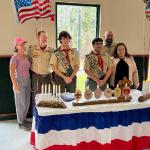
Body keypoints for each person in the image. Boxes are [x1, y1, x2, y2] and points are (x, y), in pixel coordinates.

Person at [10, 37, 31, 131]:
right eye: (21, 44)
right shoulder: (14, 58)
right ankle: (20, 122)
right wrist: (15, 84)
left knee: (26, 102)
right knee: (20, 103)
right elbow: (11, 73)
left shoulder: (26, 56)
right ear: (16, 46)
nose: (23, 46)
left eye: (23, 44)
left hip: (28, 80)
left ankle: (24, 119)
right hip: (19, 81)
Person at [27, 31, 53, 102]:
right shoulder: (32, 49)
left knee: (48, 97)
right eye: (43, 37)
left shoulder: (51, 50)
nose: (45, 39)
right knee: (36, 96)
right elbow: (28, 61)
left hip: (48, 76)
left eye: (46, 37)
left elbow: (54, 64)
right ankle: (35, 113)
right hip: (36, 76)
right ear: (38, 38)